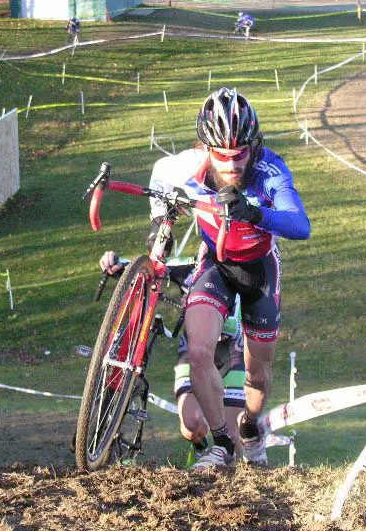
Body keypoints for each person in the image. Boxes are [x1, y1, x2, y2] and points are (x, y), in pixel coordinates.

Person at [148, 88, 309, 469]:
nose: (233, 165)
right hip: (216, 266)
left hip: (259, 273)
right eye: (222, 156)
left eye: (240, 155)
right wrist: (162, 224)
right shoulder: (187, 165)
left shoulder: (270, 170)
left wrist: (255, 213)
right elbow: (158, 179)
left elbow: (300, 225)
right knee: (200, 351)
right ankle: (221, 443)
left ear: (254, 146)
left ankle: (251, 428)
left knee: (257, 375)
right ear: (207, 149)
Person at [98, 250, 247, 458]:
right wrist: (114, 261)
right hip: (194, 353)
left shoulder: (250, 267)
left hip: (233, 354)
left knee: (233, 442)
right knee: (191, 425)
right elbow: (150, 266)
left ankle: (228, 474)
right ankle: (202, 445)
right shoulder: (195, 267)